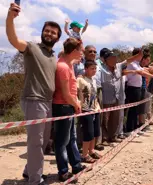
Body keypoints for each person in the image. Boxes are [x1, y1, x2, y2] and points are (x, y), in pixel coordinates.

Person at [6, 2, 62, 185]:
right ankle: (35, 180)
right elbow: (13, 39)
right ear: (42, 31)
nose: (49, 34)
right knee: (36, 143)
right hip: (33, 100)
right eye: (47, 30)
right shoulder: (31, 48)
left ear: (57, 37)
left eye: (53, 32)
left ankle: (28, 172)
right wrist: (10, 18)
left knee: (44, 141)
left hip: (47, 102)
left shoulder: (54, 56)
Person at [52, 37, 86, 182]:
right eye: (81, 51)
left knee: (72, 138)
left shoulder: (68, 63)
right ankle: (63, 171)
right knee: (61, 141)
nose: (82, 54)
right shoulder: (63, 67)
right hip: (63, 106)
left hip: (69, 106)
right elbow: (66, 94)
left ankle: (76, 165)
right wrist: (76, 104)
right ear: (73, 51)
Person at [124, 48, 153, 135]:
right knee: (133, 110)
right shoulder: (132, 64)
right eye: (140, 55)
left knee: (136, 110)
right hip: (132, 88)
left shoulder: (137, 64)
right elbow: (142, 72)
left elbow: (145, 70)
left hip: (138, 88)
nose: (141, 57)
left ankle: (135, 128)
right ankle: (129, 129)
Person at [77, 60, 102, 163]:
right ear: (86, 69)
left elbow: (95, 95)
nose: (94, 70)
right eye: (92, 68)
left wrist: (98, 106)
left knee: (95, 132)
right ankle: (84, 155)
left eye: (95, 68)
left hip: (95, 109)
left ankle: (91, 151)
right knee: (88, 132)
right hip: (85, 109)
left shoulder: (94, 80)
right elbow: (75, 92)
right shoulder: (80, 79)